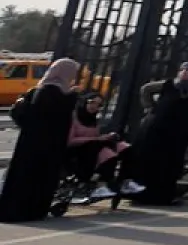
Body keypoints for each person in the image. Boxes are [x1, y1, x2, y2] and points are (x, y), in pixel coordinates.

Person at [124, 60, 188, 206]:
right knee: (148, 160)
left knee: (169, 163)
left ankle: (162, 196)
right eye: (182, 70)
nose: (184, 73)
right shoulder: (169, 84)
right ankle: (139, 194)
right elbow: (146, 89)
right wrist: (149, 107)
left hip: (177, 132)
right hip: (155, 128)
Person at [0, 58, 80, 223]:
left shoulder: (42, 88)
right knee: (36, 176)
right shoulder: (52, 91)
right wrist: (73, 96)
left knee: (31, 175)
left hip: (34, 142)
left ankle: (26, 209)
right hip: (44, 144)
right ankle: (28, 210)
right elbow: (54, 115)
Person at [67, 91, 142, 203]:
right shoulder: (74, 118)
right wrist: (96, 139)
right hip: (78, 151)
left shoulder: (93, 119)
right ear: (84, 102)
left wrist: (105, 137)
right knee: (107, 153)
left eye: (98, 105)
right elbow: (70, 141)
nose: (94, 106)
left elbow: (96, 137)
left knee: (125, 148)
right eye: (92, 102)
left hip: (93, 147)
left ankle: (125, 181)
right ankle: (101, 185)